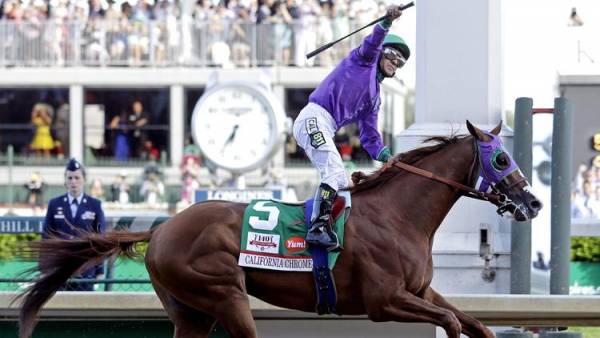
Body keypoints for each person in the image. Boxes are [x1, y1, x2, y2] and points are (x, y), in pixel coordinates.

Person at [292, 5, 409, 250]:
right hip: (313, 117)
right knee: (334, 172)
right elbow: (373, 42)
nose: (394, 63)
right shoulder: (363, 60)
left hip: (326, 125)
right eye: (391, 55)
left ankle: (330, 225)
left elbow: (370, 139)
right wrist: (387, 22)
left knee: (342, 181)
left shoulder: (376, 98)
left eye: (400, 62)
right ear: (380, 53)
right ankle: (317, 229)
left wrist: (390, 157)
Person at [42, 158, 106, 291]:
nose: (73, 182)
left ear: (84, 180)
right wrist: (44, 267)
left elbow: (101, 239)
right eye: (70, 178)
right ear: (65, 180)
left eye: (77, 177)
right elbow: (46, 237)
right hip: (60, 269)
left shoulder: (95, 205)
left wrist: (99, 270)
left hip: (86, 269)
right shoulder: (55, 204)